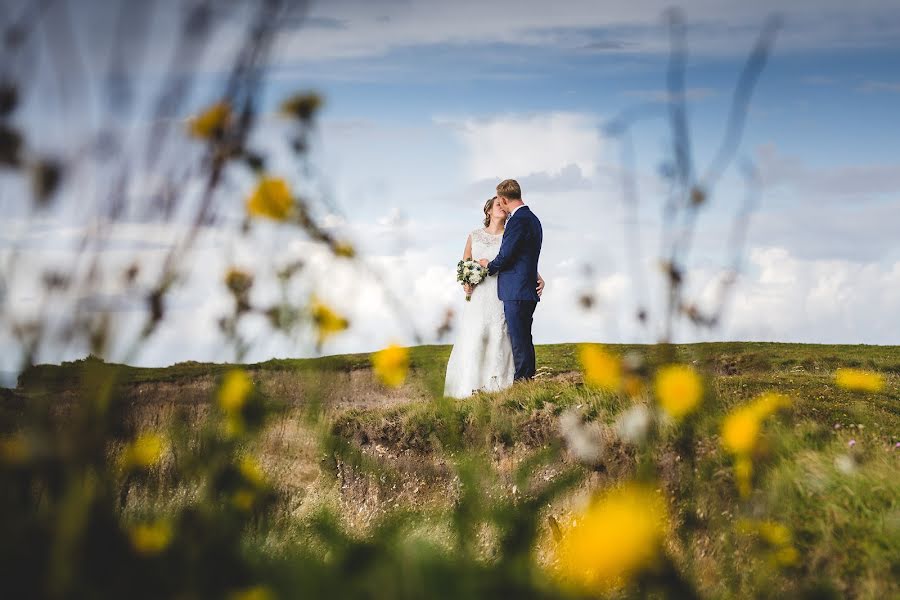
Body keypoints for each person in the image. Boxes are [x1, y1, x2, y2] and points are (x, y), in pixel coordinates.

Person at [443, 193, 544, 398]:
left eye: (503, 204)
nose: (502, 207)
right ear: (488, 210)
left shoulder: (510, 233)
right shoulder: (474, 235)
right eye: (497, 204)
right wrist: (466, 282)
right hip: (479, 294)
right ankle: (469, 387)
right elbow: (465, 263)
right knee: (476, 335)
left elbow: (521, 260)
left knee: (500, 335)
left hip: (501, 292)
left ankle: (499, 387)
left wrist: (538, 276)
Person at [478, 179, 542, 381]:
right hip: (525, 288)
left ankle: (523, 380)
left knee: (519, 338)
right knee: (524, 336)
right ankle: (527, 378)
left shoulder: (517, 221)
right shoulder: (533, 218)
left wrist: (489, 266)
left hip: (517, 290)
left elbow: (506, 256)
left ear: (504, 199)